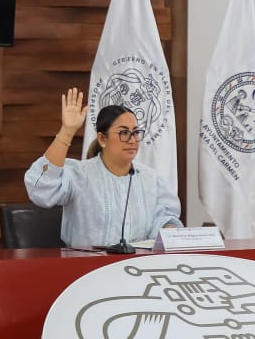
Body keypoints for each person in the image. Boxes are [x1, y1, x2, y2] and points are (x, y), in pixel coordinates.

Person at [25, 88, 181, 249]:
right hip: (85, 267)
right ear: (102, 138)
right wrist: (67, 131)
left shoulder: (152, 180)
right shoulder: (79, 174)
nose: (132, 140)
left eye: (135, 133)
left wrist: (168, 230)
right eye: (124, 133)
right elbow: (41, 188)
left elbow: (165, 218)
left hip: (137, 267)